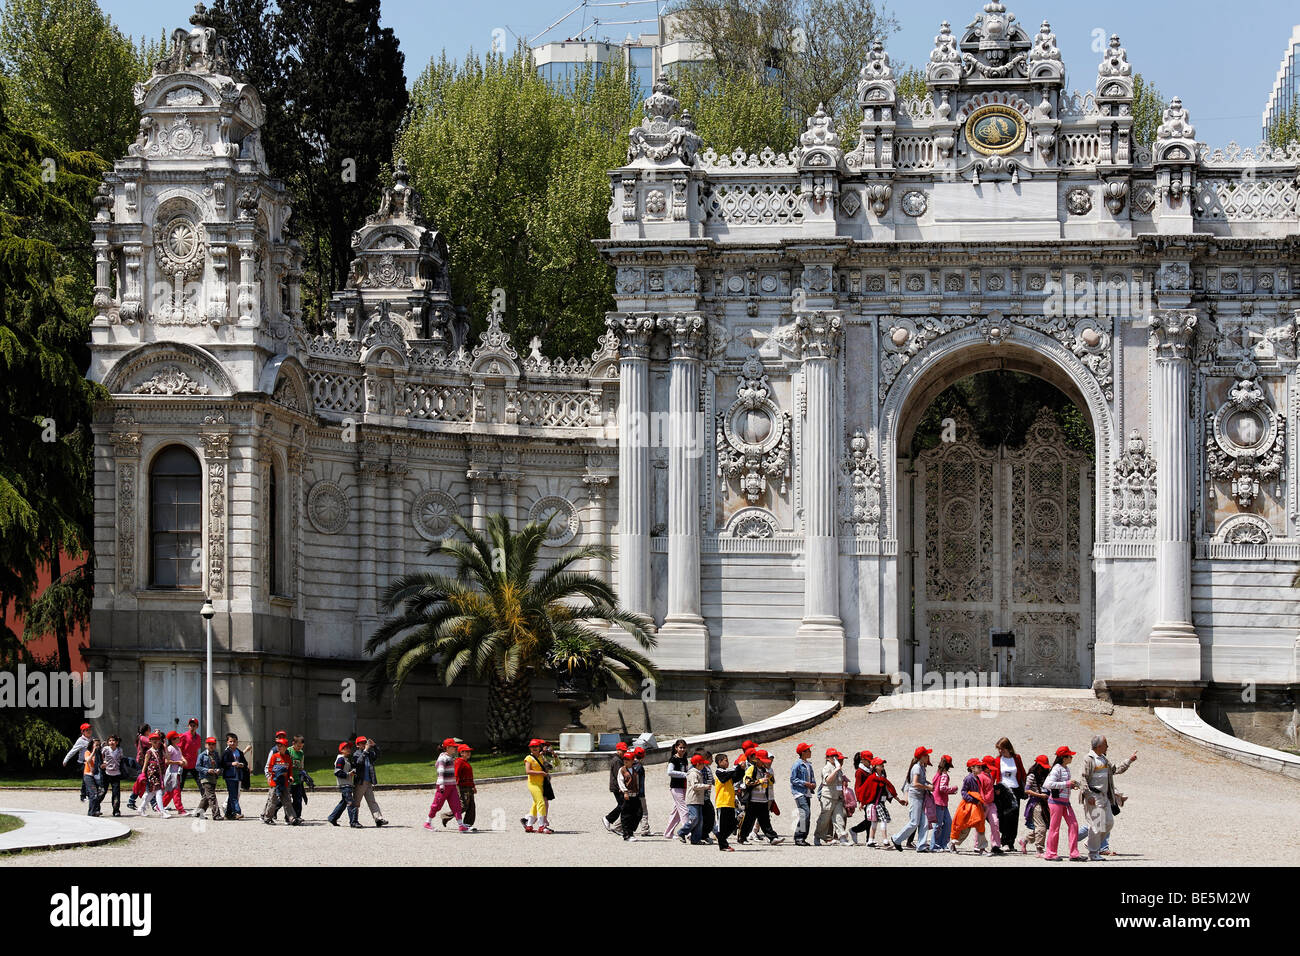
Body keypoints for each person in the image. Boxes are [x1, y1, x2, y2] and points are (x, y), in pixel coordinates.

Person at [1076, 735, 1136, 861]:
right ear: (1099, 746)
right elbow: (1083, 778)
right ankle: (1093, 853)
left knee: (1109, 823)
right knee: (1096, 825)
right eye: (1105, 744)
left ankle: (1091, 843)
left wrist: (1129, 761)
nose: (1107, 747)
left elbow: (1115, 770)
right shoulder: (1089, 759)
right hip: (1094, 796)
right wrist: (1088, 794)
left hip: (1105, 797)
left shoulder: (1104, 759)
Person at [1041, 746, 1083, 861]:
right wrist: (1067, 783)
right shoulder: (1056, 768)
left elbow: (1063, 784)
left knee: (1074, 825)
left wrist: (1070, 785)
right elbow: (1048, 784)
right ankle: (1050, 853)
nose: (1072, 757)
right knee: (1055, 828)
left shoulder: (1066, 769)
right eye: (1070, 755)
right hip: (1055, 802)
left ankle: (1074, 854)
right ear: (1064, 758)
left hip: (1065, 802)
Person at [737, 749, 784, 844]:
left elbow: (772, 782)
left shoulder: (764, 770)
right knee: (748, 820)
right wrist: (760, 781)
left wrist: (770, 777)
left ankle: (772, 838)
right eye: (763, 761)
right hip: (752, 800)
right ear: (757, 760)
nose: (765, 763)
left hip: (763, 799)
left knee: (766, 821)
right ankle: (742, 838)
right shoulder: (751, 769)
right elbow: (747, 782)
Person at [892, 746, 934, 852]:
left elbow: (920, 781)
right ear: (921, 757)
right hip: (915, 797)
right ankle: (897, 838)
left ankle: (921, 846)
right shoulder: (917, 767)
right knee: (914, 822)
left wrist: (928, 784)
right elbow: (914, 783)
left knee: (924, 822)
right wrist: (927, 787)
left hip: (921, 797)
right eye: (926, 755)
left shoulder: (921, 766)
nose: (928, 756)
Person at [427, 737, 470, 832]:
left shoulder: (450, 758)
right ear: (447, 748)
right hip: (443, 786)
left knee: (456, 805)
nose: (455, 749)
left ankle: (461, 825)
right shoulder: (442, 758)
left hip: (452, 786)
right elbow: (440, 772)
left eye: (455, 747)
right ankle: (428, 822)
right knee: (437, 805)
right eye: (453, 747)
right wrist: (441, 785)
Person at [949, 758, 987, 853]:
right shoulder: (968, 778)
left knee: (980, 825)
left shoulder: (977, 778)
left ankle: (982, 847)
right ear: (972, 768)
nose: (981, 768)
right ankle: (953, 843)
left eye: (980, 767)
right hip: (968, 806)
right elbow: (963, 791)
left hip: (976, 806)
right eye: (978, 767)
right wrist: (972, 799)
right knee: (964, 827)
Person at [994, 737, 1026, 851]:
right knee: (1004, 816)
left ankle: (1011, 843)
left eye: (1002, 749)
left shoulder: (1017, 758)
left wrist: (1026, 787)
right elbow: (994, 775)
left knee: (1014, 817)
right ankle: (1004, 842)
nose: (1000, 751)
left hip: (1015, 789)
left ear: (1008, 748)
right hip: (1003, 790)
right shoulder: (998, 760)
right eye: (999, 749)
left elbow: (1022, 772)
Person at [863, 757, 903, 847]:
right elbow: (865, 791)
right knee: (882, 820)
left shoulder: (882, 778)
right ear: (875, 766)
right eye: (880, 764)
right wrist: (862, 803)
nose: (882, 765)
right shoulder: (872, 778)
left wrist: (899, 800)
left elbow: (890, 790)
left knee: (875, 821)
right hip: (875, 803)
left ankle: (870, 840)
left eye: (882, 764)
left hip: (880, 803)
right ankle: (885, 840)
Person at [813, 747, 849, 846]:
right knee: (825, 819)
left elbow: (839, 780)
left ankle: (842, 838)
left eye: (836, 756)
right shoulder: (827, 768)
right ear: (827, 758)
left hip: (837, 797)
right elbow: (828, 780)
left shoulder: (837, 768)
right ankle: (818, 836)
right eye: (832, 756)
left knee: (839, 817)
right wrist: (836, 770)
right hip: (828, 796)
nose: (835, 758)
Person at [262, 733, 299, 825]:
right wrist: (276, 772)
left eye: (281, 745)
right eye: (278, 745)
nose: (279, 747)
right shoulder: (274, 756)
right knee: (272, 801)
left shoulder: (288, 758)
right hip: (275, 783)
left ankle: (292, 818)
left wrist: (290, 776)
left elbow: (290, 769)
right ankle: (267, 818)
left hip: (285, 783)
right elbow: (270, 768)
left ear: (286, 747)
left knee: (287, 801)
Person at [351, 735, 388, 826]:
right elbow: (359, 762)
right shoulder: (356, 754)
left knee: (372, 801)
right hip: (360, 782)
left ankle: (378, 819)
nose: (364, 744)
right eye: (362, 743)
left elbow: (379, 755)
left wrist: (374, 746)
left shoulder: (369, 753)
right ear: (357, 745)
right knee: (356, 802)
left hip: (368, 782)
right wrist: (365, 751)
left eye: (365, 743)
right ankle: (354, 820)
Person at [1019, 754, 1051, 856]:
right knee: (1041, 827)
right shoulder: (1031, 775)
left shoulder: (1046, 774)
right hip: (1035, 803)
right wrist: (1040, 795)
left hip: (1045, 803)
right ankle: (1039, 849)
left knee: (1042, 827)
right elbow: (1027, 790)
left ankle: (1024, 840)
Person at [925, 754, 957, 851]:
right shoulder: (944, 775)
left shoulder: (938, 774)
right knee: (938, 825)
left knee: (947, 822)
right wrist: (953, 789)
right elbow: (942, 788)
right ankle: (934, 845)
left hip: (940, 802)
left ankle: (942, 843)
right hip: (940, 803)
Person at [521, 738, 553, 833]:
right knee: (541, 802)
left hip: (541, 783)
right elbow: (528, 771)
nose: (534, 748)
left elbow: (548, 767)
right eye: (532, 747)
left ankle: (529, 825)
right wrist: (541, 773)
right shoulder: (528, 758)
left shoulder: (541, 757)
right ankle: (541, 825)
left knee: (536, 804)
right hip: (533, 784)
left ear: (539, 747)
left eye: (536, 746)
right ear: (530, 748)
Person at [678, 754, 711, 844]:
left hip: (698, 800)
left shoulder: (698, 772)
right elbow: (695, 785)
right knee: (694, 818)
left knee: (699, 820)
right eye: (702, 764)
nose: (703, 765)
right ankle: (682, 832)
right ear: (697, 764)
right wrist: (705, 786)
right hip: (693, 799)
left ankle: (695, 839)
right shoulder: (693, 773)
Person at [328, 740, 361, 828]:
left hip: (348, 784)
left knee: (343, 803)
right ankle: (353, 822)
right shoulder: (341, 759)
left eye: (349, 748)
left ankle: (332, 817)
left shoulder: (346, 760)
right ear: (341, 750)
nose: (349, 749)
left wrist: (352, 771)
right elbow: (337, 772)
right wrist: (348, 774)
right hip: (344, 785)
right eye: (346, 748)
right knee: (351, 803)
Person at [789, 743, 817, 846]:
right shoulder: (797, 764)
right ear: (803, 752)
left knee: (806, 814)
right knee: (805, 813)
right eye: (808, 750)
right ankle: (799, 837)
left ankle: (802, 837)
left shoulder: (809, 764)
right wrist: (805, 783)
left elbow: (812, 777)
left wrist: (813, 783)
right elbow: (793, 779)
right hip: (799, 792)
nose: (810, 752)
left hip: (807, 793)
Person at [713, 752, 740, 852]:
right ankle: (723, 845)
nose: (728, 762)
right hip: (722, 802)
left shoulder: (728, 772)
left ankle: (721, 838)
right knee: (723, 826)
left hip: (730, 802)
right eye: (726, 760)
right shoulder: (719, 772)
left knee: (732, 824)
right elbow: (724, 778)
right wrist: (736, 768)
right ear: (719, 762)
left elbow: (736, 777)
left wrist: (741, 769)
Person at [663, 738, 689, 838]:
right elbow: (669, 772)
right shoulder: (673, 759)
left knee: (677, 811)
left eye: (684, 748)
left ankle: (668, 833)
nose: (682, 749)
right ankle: (687, 832)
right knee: (684, 810)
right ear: (676, 748)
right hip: (675, 787)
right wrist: (684, 774)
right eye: (680, 747)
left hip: (683, 786)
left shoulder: (685, 759)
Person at [138, 731, 169, 817]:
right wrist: (143, 774)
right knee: (158, 792)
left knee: (151, 793)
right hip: (152, 775)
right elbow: (145, 763)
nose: (155, 741)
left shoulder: (159, 751)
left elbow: (167, 757)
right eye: (153, 739)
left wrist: (165, 747)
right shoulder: (149, 752)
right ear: (150, 741)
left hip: (158, 774)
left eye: (157, 739)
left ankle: (141, 808)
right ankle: (162, 812)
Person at [219, 733, 248, 820]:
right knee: (233, 795)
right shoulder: (226, 752)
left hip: (238, 776)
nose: (232, 743)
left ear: (237, 742)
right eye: (230, 741)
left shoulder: (239, 752)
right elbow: (222, 763)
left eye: (234, 741)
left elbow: (245, 763)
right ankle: (237, 811)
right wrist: (232, 763)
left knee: (233, 795)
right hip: (229, 776)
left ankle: (228, 814)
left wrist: (242, 765)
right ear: (227, 742)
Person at [194, 737, 225, 820]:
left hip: (213, 778)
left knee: (206, 796)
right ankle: (216, 815)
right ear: (205, 745)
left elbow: (219, 765)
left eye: (213, 744)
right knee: (211, 796)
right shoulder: (202, 755)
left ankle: (198, 812)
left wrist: (219, 770)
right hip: (205, 778)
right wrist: (207, 770)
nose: (211, 746)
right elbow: (197, 767)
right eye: (209, 744)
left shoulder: (216, 755)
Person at [63, 722, 93, 802]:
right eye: (87, 730)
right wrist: (66, 759)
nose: (89, 731)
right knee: (85, 780)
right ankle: (83, 796)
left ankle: (90, 795)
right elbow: (73, 751)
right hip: (82, 763)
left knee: (90, 779)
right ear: (83, 732)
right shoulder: (80, 740)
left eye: (90, 729)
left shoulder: (92, 739)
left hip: (90, 763)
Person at [603, 742, 629, 833]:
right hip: (617, 787)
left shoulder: (619, 759)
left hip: (617, 786)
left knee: (622, 805)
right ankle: (609, 819)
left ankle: (610, 820)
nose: (624, 752)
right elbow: (619, 775)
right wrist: (621, 787)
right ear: (618, 750)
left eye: (625, 751)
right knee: (623, 805)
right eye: (623, 751)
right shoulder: (617, 760)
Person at [848, 751, 874, 841]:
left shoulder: (871, 769)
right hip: (865, 798)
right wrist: (860, 801)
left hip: (872, 796)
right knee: (870, 819)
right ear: (862, 760)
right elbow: (857, 787)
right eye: (868, 760)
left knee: (871, 818)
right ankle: (856, 831)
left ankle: (868, 838)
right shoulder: (860, 772)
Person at [617, 750, 643, 841]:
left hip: (635, 794)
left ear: (632, 760)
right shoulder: (622, 770)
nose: (626, 761)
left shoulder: (635, 769)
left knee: (638, 813)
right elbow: (620, 781)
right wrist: (625, 792)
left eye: (628, 759)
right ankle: (626, 834)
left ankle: (631, 830)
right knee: (626, 815)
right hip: (626, 795)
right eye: (624, 759)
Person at [97, 735, 125, 816]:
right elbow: (100, 757)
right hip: (106, 773)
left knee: (116, 793)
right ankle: (95, 807)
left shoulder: (119, 750)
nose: (111, 742)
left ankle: (116, 810)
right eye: (110, 741)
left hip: (116, 774)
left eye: (113, 740)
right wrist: (102, 763)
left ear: (117, 742)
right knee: (102, 792)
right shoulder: (105, 749)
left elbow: (121, 760)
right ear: (108, 742)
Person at [288, 734, 314, 820]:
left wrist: (304, 774)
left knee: (298, 799)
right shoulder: (289, 751)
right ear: (293, 743)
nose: (300, 748)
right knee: (284, 800)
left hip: (298, 779)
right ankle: (274, 812)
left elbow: (301, 766)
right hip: (289, 779)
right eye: (298, 746)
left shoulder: (301, 753)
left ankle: (297, 816)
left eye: (301, 746)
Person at [127, 723, 151, 811]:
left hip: (142, 763)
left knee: (143, 782)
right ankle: (154, 803)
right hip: (142, 763)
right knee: (144, 782)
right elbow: (152, 742)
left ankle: (131, 801)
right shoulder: (143, 738)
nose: (150, 731)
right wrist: (157, 735)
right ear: (145, 730)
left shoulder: (139, 737)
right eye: (149, 730)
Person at [163, 731, 187, 814]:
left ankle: (160, 806)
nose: (179, 738)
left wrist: (183, 761)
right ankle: (180, 809)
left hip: (177, 772)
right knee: (176, 791)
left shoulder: (177, 748)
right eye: (177, 737)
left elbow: (180, 758)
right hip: (172, 773)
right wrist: (178, 762)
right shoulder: (170, 748)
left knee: (170, 792)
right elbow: (167, 761)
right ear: (173, 740)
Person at [178, 718, 203, 792]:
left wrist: (198, 761)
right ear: (188, 726)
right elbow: (179, 749)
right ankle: (177, 801)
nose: (192, 727)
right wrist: (182, 759)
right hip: (184, 764)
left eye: (194, 726)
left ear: (197, 727)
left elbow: (196, 750)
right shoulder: (184, 736)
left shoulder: (198, 737)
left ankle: (205, 800)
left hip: (194, 764)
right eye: (190, 725)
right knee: (181, 784)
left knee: (200, 783)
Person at [82, 738, 102, 816]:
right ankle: (92, 812)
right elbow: (88, 760)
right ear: (92, 745)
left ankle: (95, 810)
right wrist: (93, 751)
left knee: (97, 793)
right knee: (93, 793)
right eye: (96, 745)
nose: (98, 747)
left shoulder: (99, 753)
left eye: (99, 745)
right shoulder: (87, 752)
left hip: (97, 775)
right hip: (88, 775)